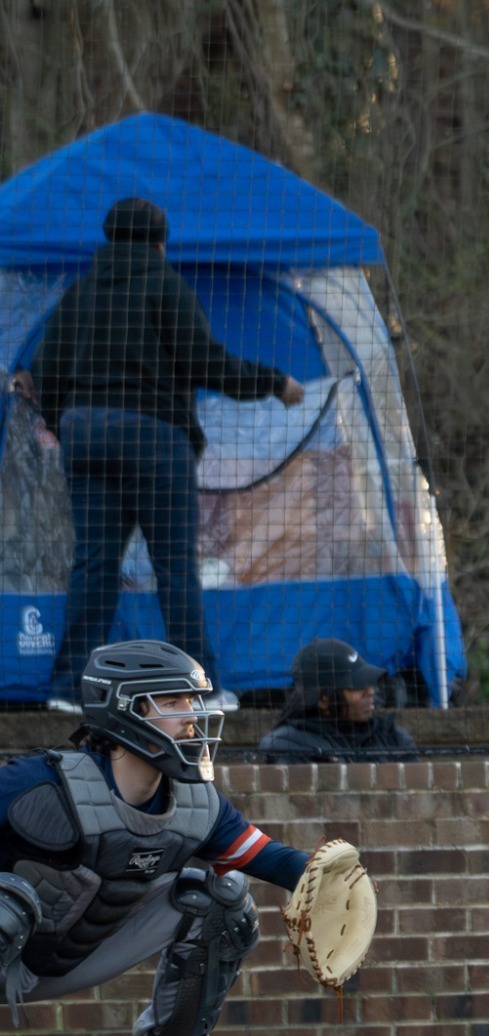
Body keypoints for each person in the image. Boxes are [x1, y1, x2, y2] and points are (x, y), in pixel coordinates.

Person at [0, 640, 315, 1036]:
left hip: (65, 958)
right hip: (12, 950)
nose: (192, 716)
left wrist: (331, 878)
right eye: (173, 702)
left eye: (192, 700)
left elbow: (270, 859)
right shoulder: (36, 786)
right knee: (7, 906)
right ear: (126, 709)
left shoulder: (194, 803)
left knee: (221, 903)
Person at [27, 198, 306, 714]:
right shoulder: (165, 284)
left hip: (85, 436)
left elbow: (46, 369)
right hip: (152, 438)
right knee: (175, 567)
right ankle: (199, 690)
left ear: (110, 240)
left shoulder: (81, 290)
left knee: (94, 564)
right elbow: (206, 362)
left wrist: (65, 420)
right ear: (159, 243)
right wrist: (274, 382)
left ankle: (68, 690)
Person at [258, 638, 419, 763]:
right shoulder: (288, 745)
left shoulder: (392, 737)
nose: (370, 692)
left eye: (368, 683)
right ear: (324, 700)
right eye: (356, 686)